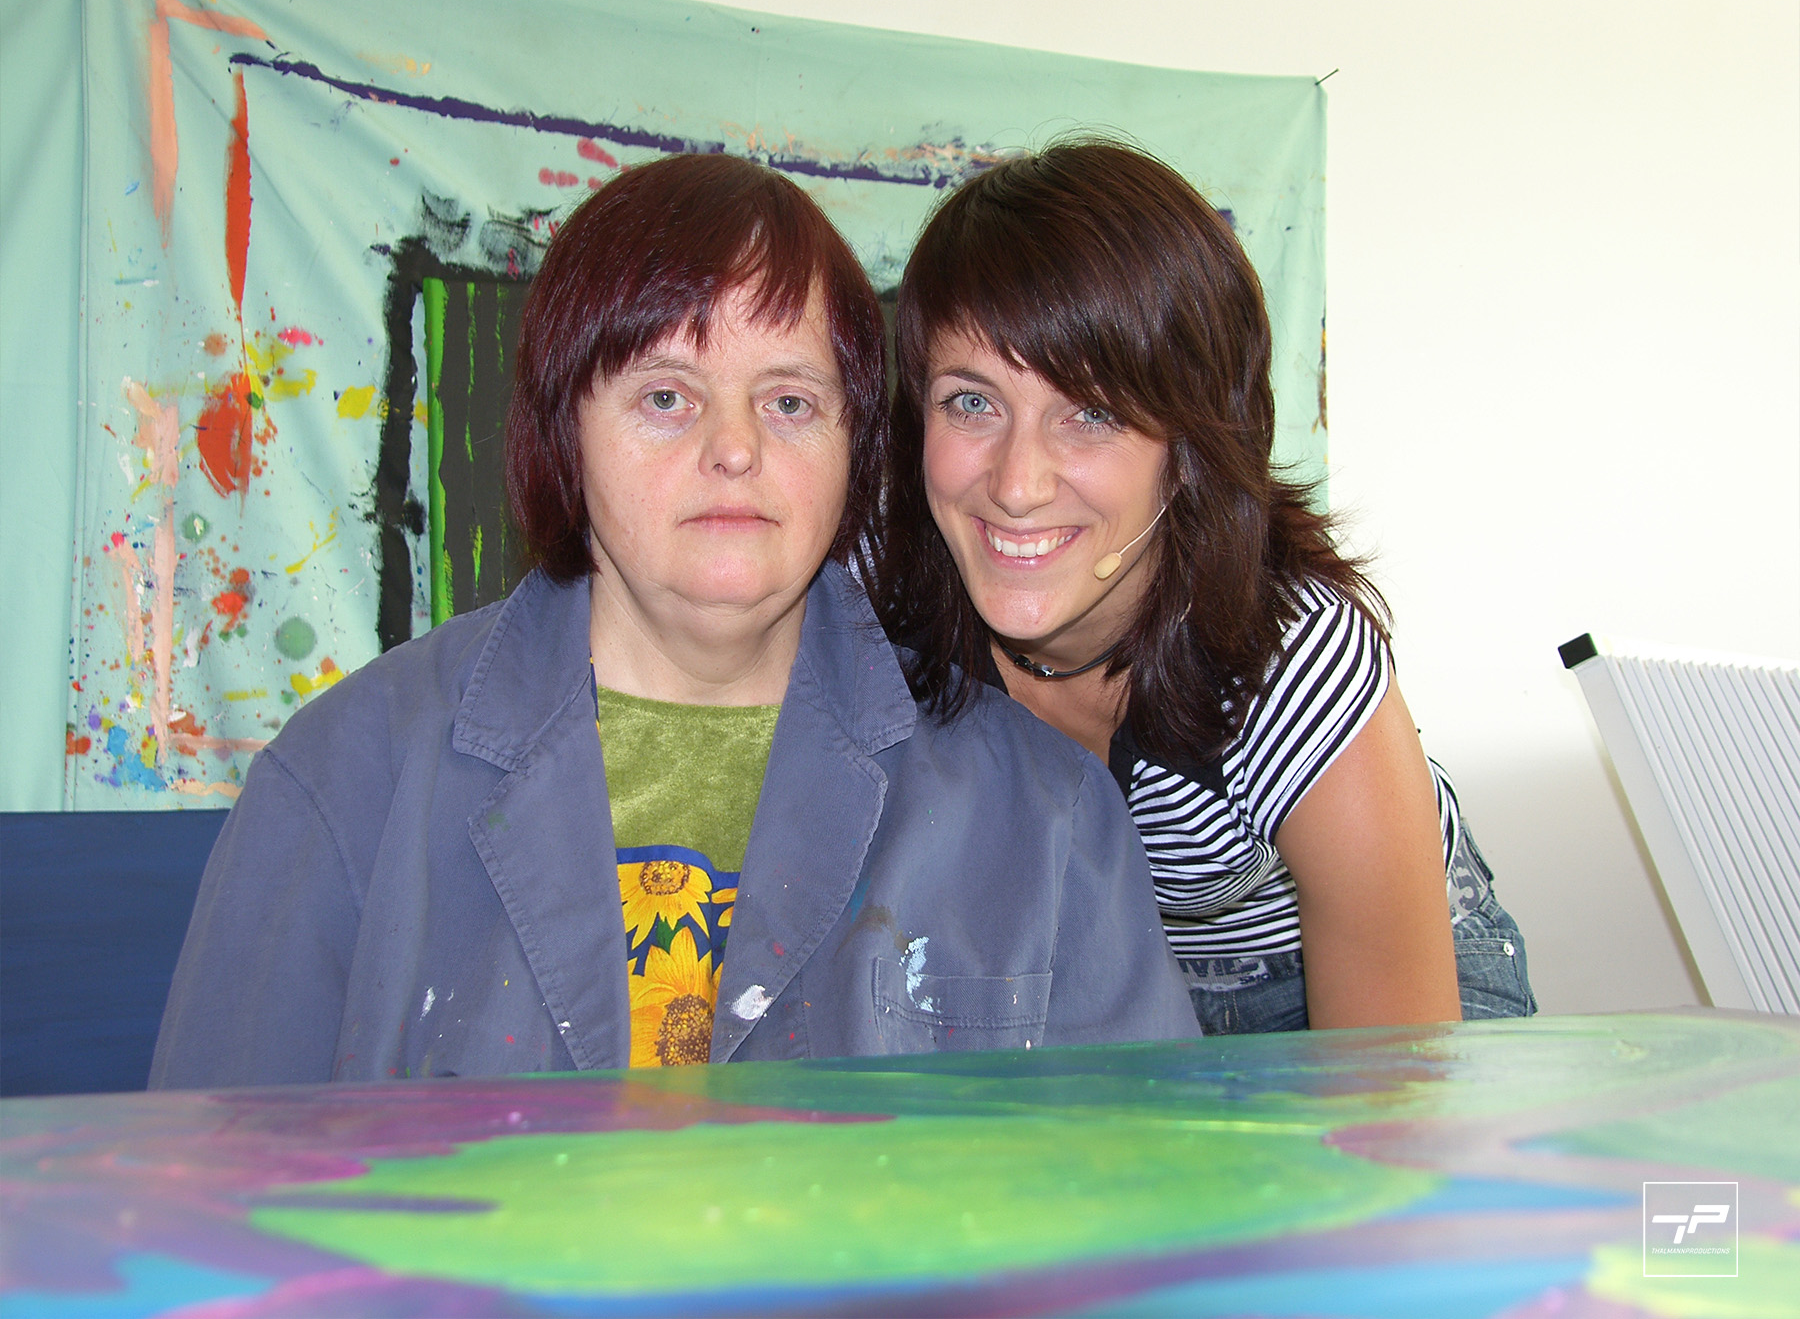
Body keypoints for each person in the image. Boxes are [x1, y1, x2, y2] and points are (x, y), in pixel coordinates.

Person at [150, 153, 1197, 1089]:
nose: (735, 449)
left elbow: (1148, 1218)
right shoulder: (344, 783)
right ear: (564, 431)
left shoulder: (1050, 821)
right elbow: (204, 1214)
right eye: (665, 396)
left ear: (858, 447)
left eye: (789, 402)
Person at [869, 140, 1535, 1035]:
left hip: (1343, 972)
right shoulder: (892, 605)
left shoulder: (1291, 662)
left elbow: (1395, 1089)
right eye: (972, 402)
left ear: (1186, 451)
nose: (1017, 485)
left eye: (1091, 412)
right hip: (1117, 985)